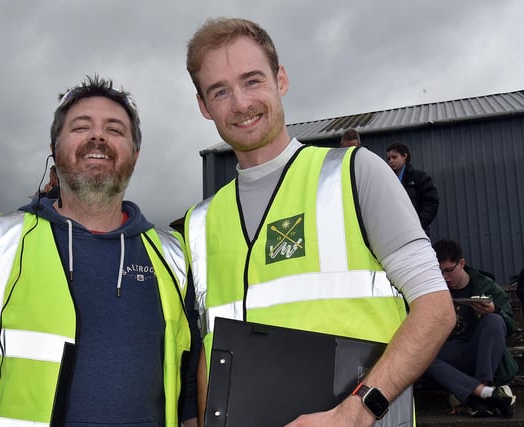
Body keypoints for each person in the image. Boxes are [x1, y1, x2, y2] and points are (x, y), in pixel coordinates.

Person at [184, 17, 456, 426]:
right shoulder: (199, 223)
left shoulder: (354, 173)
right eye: (220, 91)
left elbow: (436, 309)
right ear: (205, 107)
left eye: (252, 80)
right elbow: (210, 349)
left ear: (281, 80)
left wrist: (358, 410)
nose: (240, 103)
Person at [0, 75, 199, 426]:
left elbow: (189, 388)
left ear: (135, 155)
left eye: (114, 129)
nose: (98, 136)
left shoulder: (173, 255)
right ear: (55, 148)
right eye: (81, 127)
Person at [427, 239, 517, 418]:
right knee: (422, 357)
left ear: (461, 263)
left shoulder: (485, 284)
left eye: (449, 270)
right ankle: (487, 394)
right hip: (452, 353)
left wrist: (494, 310)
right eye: (440, 272)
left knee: (494, 320)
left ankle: (480, 391)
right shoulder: (433, 289)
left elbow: (510, 325)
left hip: (482, 353)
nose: (445, 277)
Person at [385, 142, 439, 234]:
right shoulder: (387, 180)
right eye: (389, 158)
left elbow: (431, 202)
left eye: (394, 157)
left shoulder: (419, 177)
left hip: (417, 233)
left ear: (404, 156)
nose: (391, 161)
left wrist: (418, 224)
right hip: (395, 233)